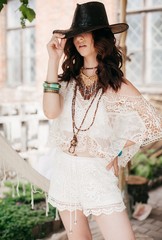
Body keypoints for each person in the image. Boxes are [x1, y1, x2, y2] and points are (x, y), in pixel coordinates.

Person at [42, 2, 162, 240]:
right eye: (76, 34)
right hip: (65, 171)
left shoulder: (115, 84)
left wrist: (117, 150)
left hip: (96, 173)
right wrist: (53, 60)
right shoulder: (66, 81)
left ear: (101, 37)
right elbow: (51, 112)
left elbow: (154, 124)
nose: (79, 39)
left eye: (86, 32)